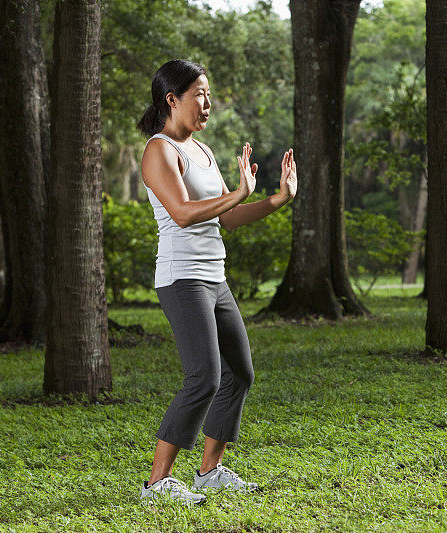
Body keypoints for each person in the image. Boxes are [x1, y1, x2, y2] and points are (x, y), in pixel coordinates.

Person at [135, 59, 297, 505]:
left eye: (209, 94)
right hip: (182, 278)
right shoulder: (159, 150)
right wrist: (238, 192)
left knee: (239, 373)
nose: (207, 103)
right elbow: (183, 215)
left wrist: (275, 199)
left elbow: (227, 216)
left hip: (214, 277)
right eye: (198, 94)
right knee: (203, 377)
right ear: (173, 99)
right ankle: (157, 482)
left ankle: (209, 471)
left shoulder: (203, 151)